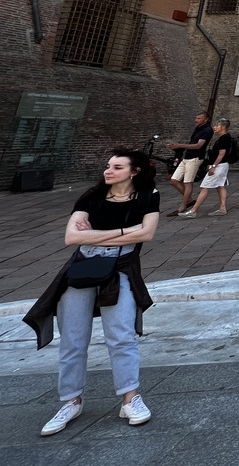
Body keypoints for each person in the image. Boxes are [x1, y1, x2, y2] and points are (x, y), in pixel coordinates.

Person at [23, 149, 159, 435]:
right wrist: (124, 232)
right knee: (72, 339)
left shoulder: (148, 196)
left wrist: (94, 235)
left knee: (121, 336)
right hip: (82, 269)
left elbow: (146, 234)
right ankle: (71, 401)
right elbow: (71, 237)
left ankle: (130, 399)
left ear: (134, 171)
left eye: (117, 167)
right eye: (108, 166)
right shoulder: (90, 197)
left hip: (119, 269)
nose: (108, 171)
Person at [181, 118, 237, 218]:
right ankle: (222, 208)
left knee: (204, 187)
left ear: (223, 127)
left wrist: (213, 166)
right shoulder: (224, 137)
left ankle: (193, 211)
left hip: (219, 166)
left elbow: (221, 153)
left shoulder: (224, 138)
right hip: (222, 165)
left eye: (217, 126)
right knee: (220, 186)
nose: (214, 127)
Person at [166, 112, 213, 216]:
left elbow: (198, 145)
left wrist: (179, 145)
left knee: (188, 182)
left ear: (206, 120)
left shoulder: (207, 130)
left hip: (195, 158)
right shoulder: (198, 128)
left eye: (199, 118)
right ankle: (190, 200)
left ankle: (183, 206)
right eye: (196, 118)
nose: (196, 120)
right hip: (187, 157)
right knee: (173, 180)